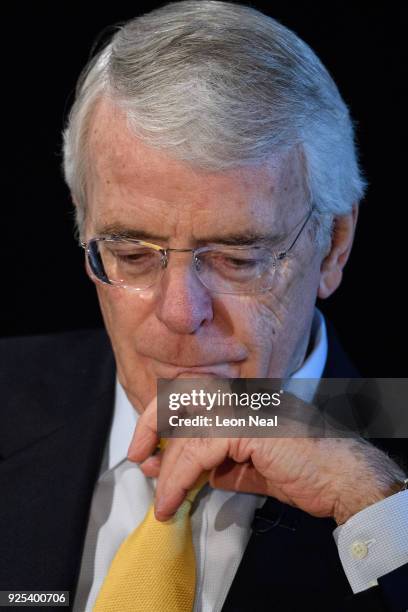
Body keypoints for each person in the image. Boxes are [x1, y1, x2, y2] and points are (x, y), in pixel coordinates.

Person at [1, 1, 407, 610]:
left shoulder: (389, 494)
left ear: (333, 247)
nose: (178, 311)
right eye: (132, 254)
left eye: (237, 258)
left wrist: (381, 507)